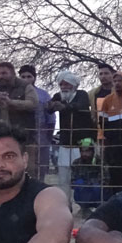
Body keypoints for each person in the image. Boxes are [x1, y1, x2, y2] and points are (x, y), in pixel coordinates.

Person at [47, 70, 96, 209]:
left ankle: (86, 206)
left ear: (74, 85)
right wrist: (51, 105)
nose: (64, 87)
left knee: (84, 176)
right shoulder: (59, 96)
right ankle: (65, 205)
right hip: (65, 143)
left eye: (67, 84)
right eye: (61, 84)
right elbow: (49, 108)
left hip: (83, 143)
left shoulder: (81, 94)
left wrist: (65, 107)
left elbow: (80, 106)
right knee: (63, 177)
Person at [0, 61, 39, 177]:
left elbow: (33, 103)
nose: (0, 76)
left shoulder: (26, 86)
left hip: (23, 134)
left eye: (4, 73)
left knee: (28, 167)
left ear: (12, 73)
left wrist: (11, 102)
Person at [97, 71, 122, 198]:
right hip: (113, 144)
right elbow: (102, 121)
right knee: (114, 173)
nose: (118, 83)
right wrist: (109, 135)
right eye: (115, 81)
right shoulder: (108, 100)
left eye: (120, 81)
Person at [19, 65, 54, 180]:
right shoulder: (16, 93)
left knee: (40, 167)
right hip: (21, 134)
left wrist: (48, 135)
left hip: (41, 134)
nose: (26, 79)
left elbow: (51, 117)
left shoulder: (43, 95)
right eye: (23, 76)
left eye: (29, 76)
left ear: (34, 78)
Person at [70, 138, 102, 216]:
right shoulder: (76, 163)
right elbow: (72, 181)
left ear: (92, 151)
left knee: (97, 186)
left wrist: (91, 183)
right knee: (79, 183)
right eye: (82, 151)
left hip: (95, 190)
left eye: (87, 151)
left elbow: (105, 180)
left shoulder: (100, 162)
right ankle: (84, 207)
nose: (85, 154)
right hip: (82, 190)